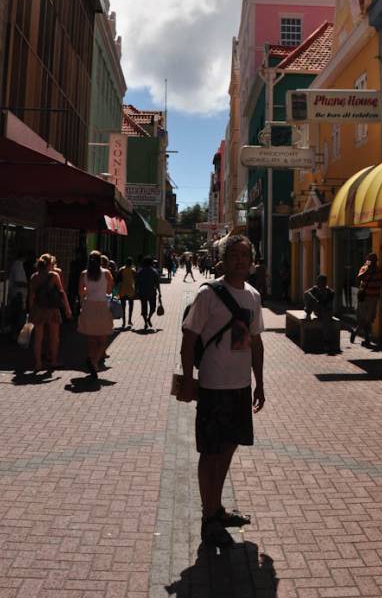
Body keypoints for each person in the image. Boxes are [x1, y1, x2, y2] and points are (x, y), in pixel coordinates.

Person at [179, 235, 265, 548]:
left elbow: (255, 342)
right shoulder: (209, 294)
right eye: (235, 255)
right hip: (213, 386)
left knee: (228, 448)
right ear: (224, 260)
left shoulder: (253, 296)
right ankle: (208, 516)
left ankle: (217, 509)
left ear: (252, 261)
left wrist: (260, 382)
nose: (241, 261)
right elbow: (188, 339)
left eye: (246, 255)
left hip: (240, 386)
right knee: (210, 452)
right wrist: (189, 379)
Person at [28, 253, 72, 372]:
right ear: (49, 264)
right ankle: (53, 361)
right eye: (52, 264)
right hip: (52, 309)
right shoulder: (54, 276)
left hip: (38, 308)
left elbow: (31, 296)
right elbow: (62, 293)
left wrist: (30, 310)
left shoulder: (34, 277)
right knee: (54, 337)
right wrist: (68, 309)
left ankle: (38, 363)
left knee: (38, 338)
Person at [77, 250, 115, 379]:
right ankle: (94, 361)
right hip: (102, 306)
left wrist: (89, 290)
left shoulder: (83, 274)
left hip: (89, 306)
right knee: (103, 338)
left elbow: (81, 292)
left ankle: (91, 359)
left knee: (91, 338)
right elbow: (109, 290)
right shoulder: (106, 273)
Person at [350, 252, 382, 347]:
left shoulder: (379, 270)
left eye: (373, 260)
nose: (372, 262)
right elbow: (359, 277)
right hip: (364, 297)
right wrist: (367, 269)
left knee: (368, 319)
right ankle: (367, 339)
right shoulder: (364, 268)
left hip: (373, 298)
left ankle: (356, 331)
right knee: (364, 319)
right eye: (370, 260)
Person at [304, 274, 340, 354]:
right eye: (319, 281)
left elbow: (328, 305)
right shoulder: (315, 289)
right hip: (318, 310)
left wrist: (321, 304)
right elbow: (306, 293)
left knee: (326, 319)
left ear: (325, 282)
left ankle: (326, 341)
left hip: (326, 311)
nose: (320, 283)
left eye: (322, 281)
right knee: (309, 295)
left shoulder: (330, 292)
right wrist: (315, 300)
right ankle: (308, 313)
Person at [135, 255, 161, 330]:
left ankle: (146, 321)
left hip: (142, 292)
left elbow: (137, 283)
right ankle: (148, 318)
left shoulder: (140, 271)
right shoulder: (154, 272)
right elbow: (157, 284)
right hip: (152, 292)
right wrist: (160, 293)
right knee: (153, 308)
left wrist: (136, 291)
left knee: (144, 308)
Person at [118, 257, 136, 328]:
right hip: (130, 290)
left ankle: (124, 322)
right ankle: (129, 320)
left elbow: (118, 279)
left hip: (123, 289)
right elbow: (136, 279)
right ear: (131, 263)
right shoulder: (133, 270)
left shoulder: (121, 269)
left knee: (123, 307)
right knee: (131, 306)